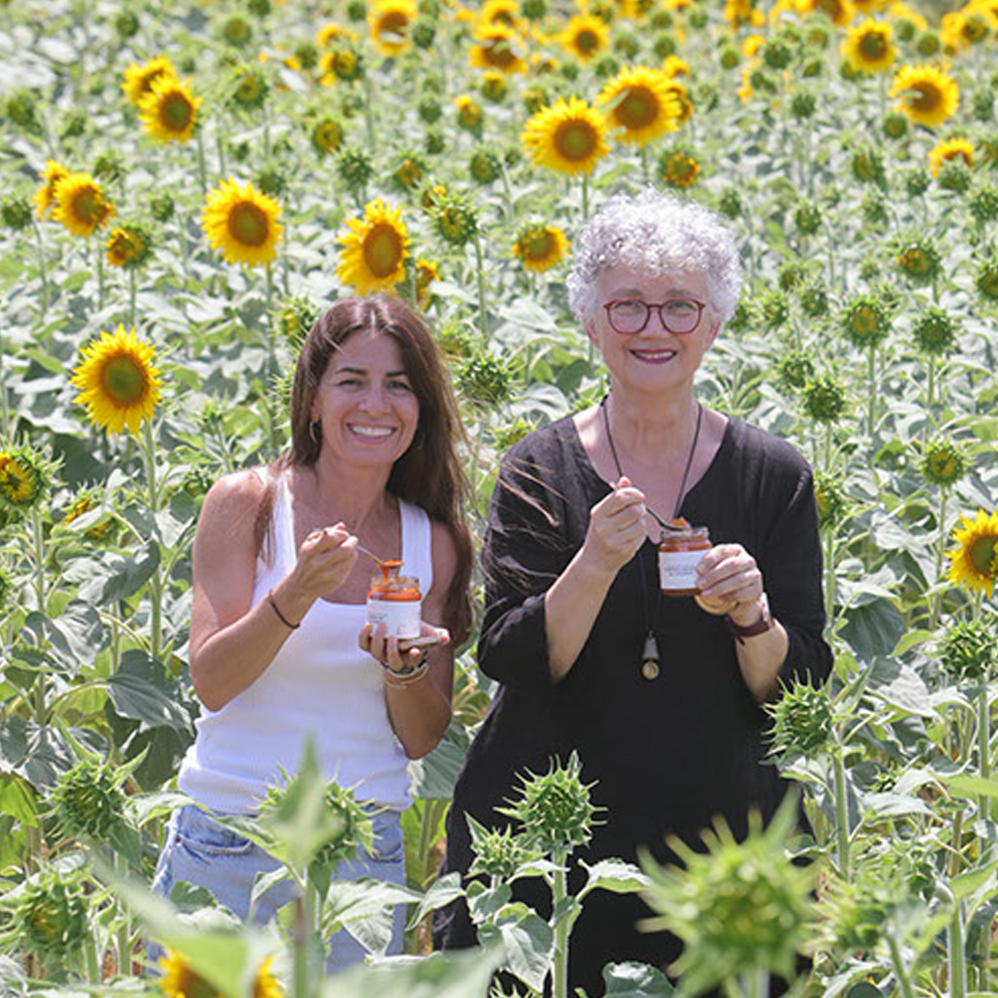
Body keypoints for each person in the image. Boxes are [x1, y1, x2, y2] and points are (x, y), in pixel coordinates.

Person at [434, 189, 832, 995]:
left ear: (715, 324)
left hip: (725, 852)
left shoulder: (772, 476)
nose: (654, 329)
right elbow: (510, 656)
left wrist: (753, 616)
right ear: (590, 323)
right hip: (552, 851)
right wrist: (594, 562)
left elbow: (798, 686)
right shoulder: (538, 471)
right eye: (628, 307)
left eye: (680, 307)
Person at [153, 294, 474, 970]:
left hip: (359, 861)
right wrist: (295, 593)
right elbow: (211, 681)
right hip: (229, 844)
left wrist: (401, 669)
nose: (375, 405)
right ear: (312, 400)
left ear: (422, 410)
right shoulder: (248, 504)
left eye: (398, 386)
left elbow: (420, 737)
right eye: (351, 381)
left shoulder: (432, 542)